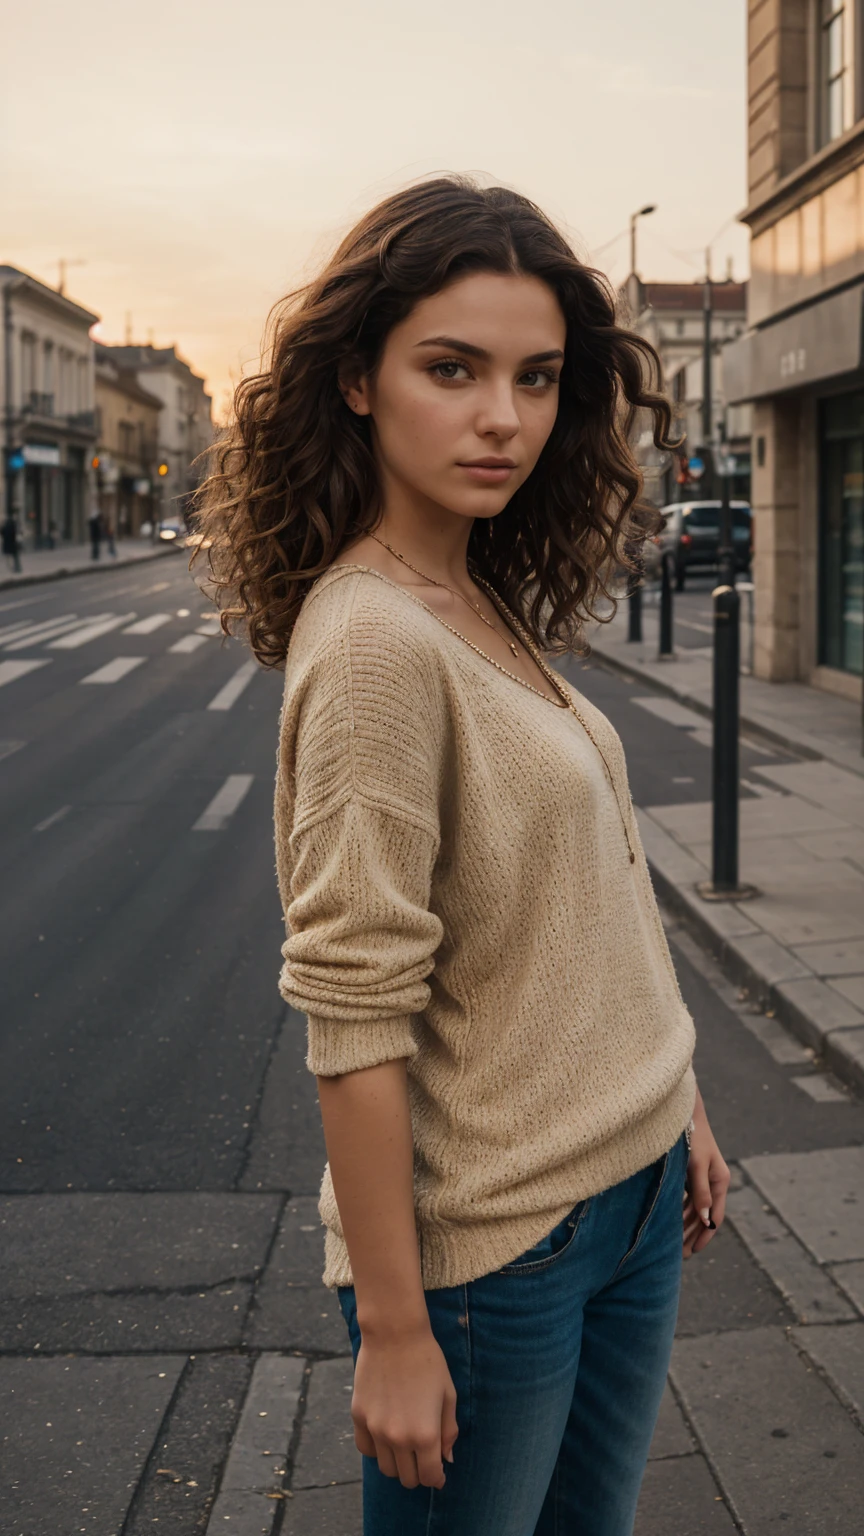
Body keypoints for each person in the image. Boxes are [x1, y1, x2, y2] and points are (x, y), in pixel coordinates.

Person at [193, 175, 730, 1536]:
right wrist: (393, 1328)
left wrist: (679, 1103)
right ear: (360, 380)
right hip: (500, 1254)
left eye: (538, 378)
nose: (505, 417)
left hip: (633, 1188)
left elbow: (586, 890)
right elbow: (353, 1013)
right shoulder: (374, 641)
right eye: (454, 368)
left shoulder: (469, 588)